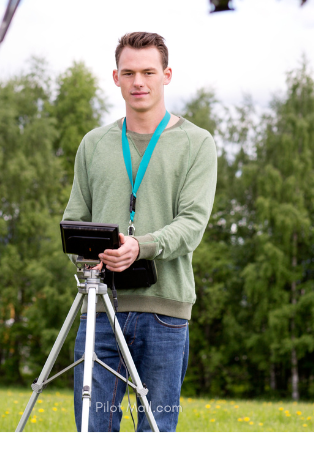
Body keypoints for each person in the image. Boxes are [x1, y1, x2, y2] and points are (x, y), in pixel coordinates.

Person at [63, 31, 217, 433]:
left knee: (156, 428)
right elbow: (75, 218)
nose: (139, 82)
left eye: (149, 72)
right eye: (129, 72)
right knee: (93, 427)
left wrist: (140, 246)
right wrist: (91, 251)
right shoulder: (93, 143)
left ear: (167, 75)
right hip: (100, 307)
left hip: (165, 311)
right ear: (115, 77)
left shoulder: (196, 143)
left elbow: (192, 225)